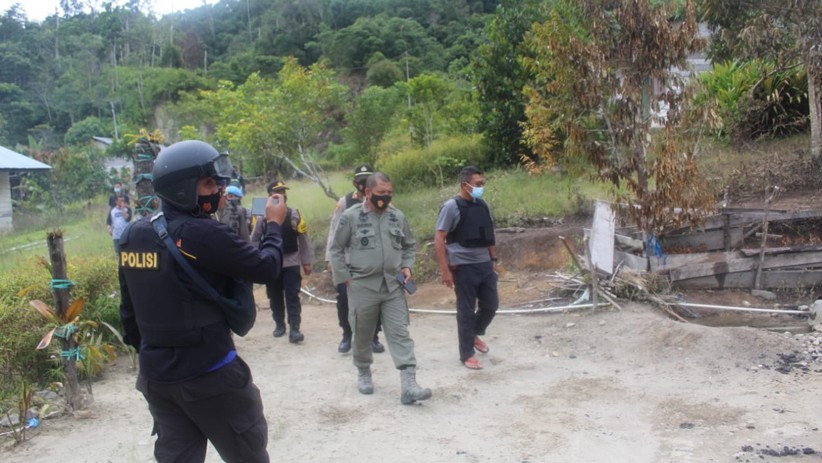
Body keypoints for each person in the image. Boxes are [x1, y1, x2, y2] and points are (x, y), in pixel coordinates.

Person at [118, 140, 287, 463]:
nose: (218, 191)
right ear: (183, 188)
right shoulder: (204, 233)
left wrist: (158, 353)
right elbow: (267, 267)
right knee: (247, 454)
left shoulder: (133, 234)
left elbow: (128, 313)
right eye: (209, 183)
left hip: (157, 379)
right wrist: (274, 224)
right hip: (210, 373)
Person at [329, 172, 432, 405]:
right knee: (362, 333)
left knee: (400, 332)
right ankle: (363, 371)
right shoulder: (351, 216)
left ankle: (409, 385)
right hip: (362, 285)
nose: (385, 197)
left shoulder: (397, 216)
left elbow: (408, 245)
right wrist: (345, 278)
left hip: (393, 285)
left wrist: (407, 266)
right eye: (380, 193)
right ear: (367, 192)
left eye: (389, 193)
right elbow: (336, 248)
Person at [434, 166, 499, 370]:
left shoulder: (482, 205)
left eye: (482, 183)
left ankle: (473, 334)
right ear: (465, 185)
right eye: (478, 184)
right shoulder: (451, 207)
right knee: (466, 310)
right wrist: (445, 270)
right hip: (463, 266)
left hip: (484, 264)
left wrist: (493, 259)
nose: (481, 187)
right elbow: (439, 238)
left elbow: (489, 235)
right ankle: (467, 354)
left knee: (491, 306)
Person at [325, 164, 385, 354]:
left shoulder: (381, 201)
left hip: (373, 261)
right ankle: (347, 335)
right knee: (344, 298)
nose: (364, 184)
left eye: (368, 180)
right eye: (361, 181)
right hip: (348, 260)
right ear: (355, 182)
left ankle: (373, 337)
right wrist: (330, 260)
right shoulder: (345, 202)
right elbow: (334, 231)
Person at [251, 180, 313, 343]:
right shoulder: (262, 217)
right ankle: (279, 324)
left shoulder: (294, 214)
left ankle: (295, 328)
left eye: (283, 191)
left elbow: (303, 239)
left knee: (293, 295)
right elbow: (255, 239)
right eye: (277, 192)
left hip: (291, 262)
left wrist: (306, 261)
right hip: (271, 263)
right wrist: (253, 260)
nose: (281, 195)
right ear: (269, 196)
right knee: (274, 296)